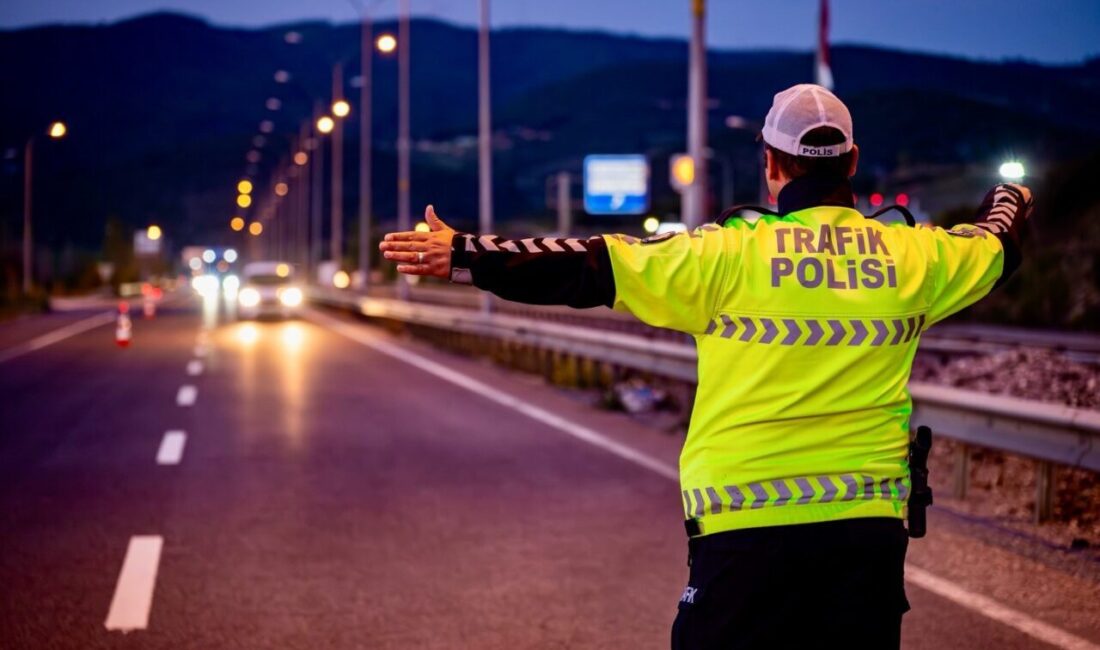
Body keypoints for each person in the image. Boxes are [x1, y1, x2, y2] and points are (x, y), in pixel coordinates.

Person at [380, 83, 1033, 649]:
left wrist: (466, 252)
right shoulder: (911, 257)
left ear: (771, 165)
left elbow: (589, 262)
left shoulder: (722, 256)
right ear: (853, 163)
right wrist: (1010, 192)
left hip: (745, 536)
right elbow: (994, 243)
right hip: (866, 540)